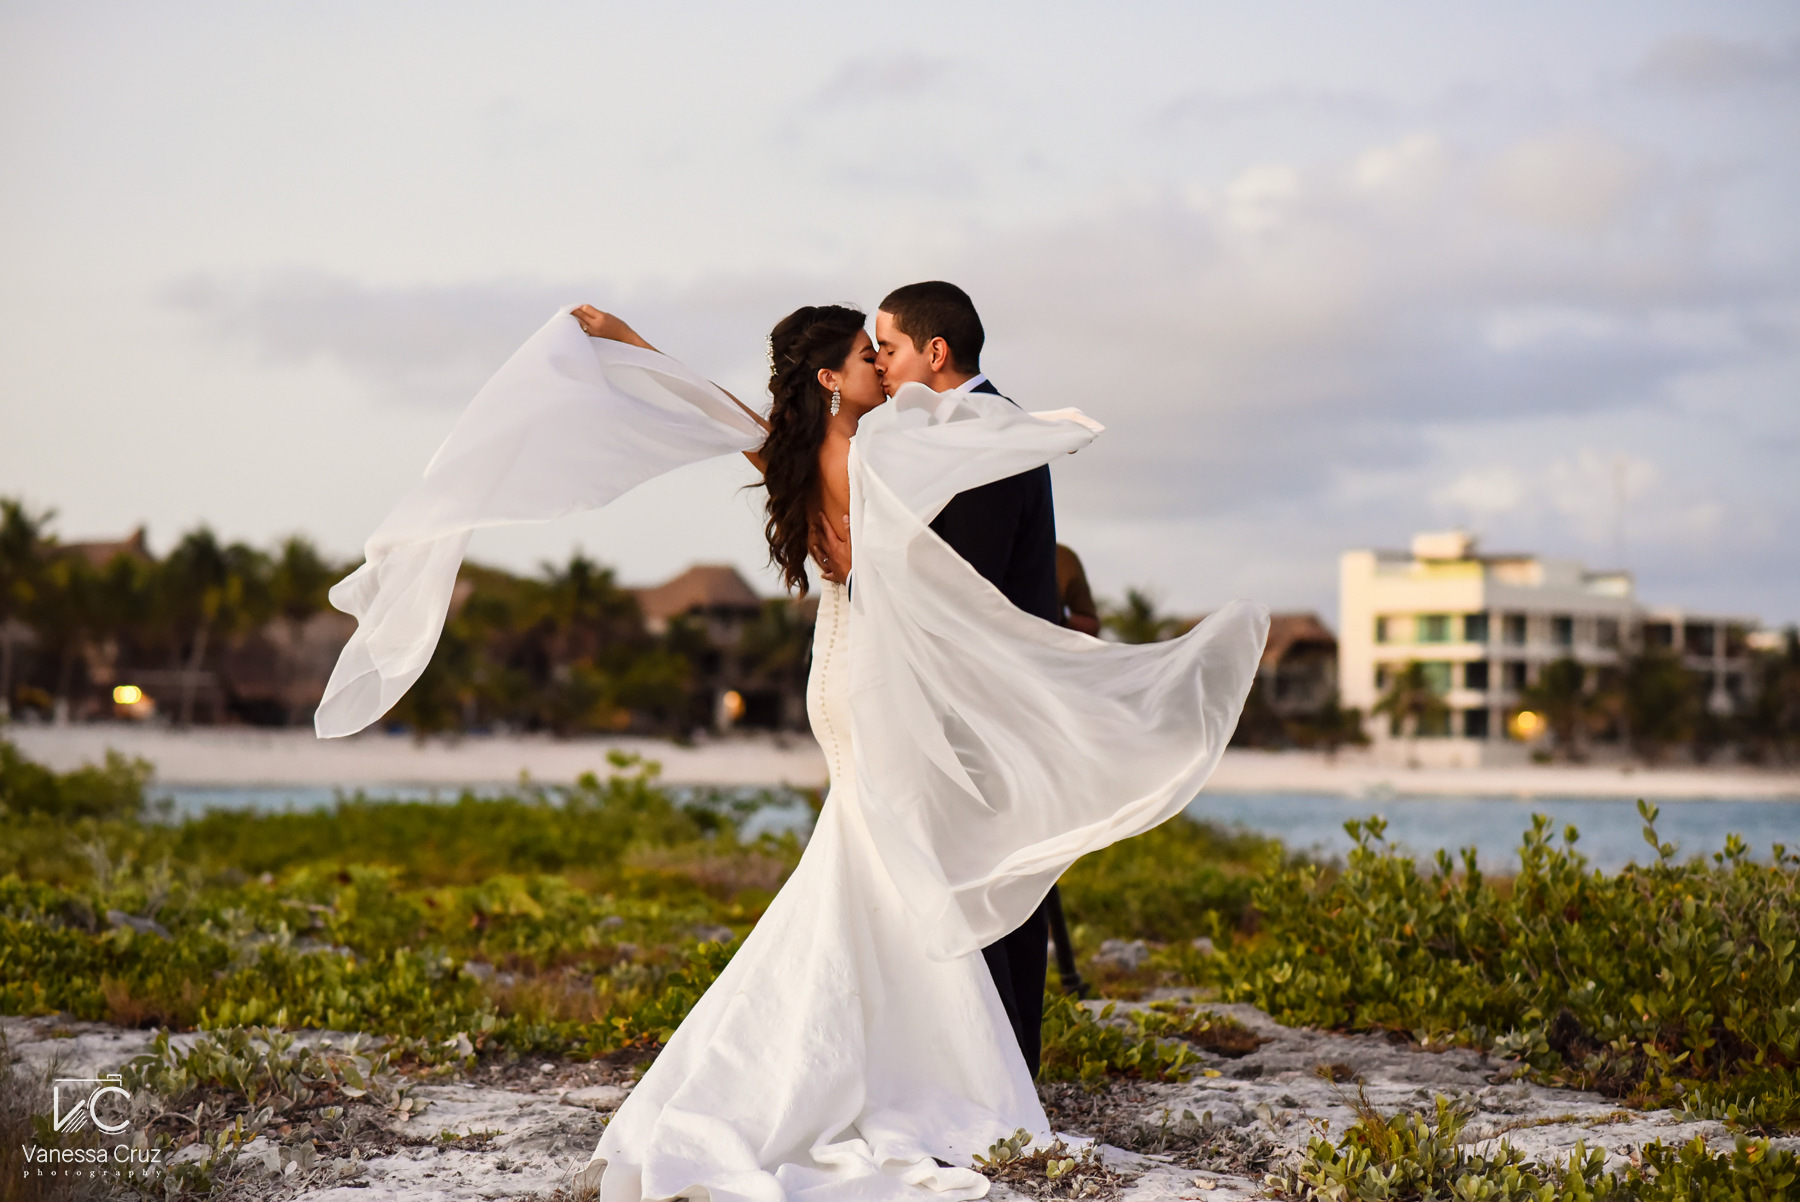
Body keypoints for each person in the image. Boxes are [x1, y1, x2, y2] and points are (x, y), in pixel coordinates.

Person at [312, 297, 1269, 1202]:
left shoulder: (803, 450)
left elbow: (707, 403)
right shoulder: (866, 459)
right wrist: (1038, 428)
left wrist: (618, 337)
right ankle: (914, 1066)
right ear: (828, 377)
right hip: (876, 678)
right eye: (867, 358)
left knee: (872, 864)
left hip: (843, 675)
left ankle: (872, 1053)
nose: (882, 371)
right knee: (892, 861)